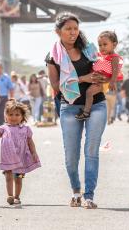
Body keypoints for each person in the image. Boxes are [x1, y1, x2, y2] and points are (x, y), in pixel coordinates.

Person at [46, 12, 108, 209]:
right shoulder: (52, 57)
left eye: (75, 28)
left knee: (91, 151)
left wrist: (100, 77)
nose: (73, 32)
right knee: (71, 155)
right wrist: (82, 79)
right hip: (70, 107)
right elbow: (55, 85)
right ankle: (76, 191)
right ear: (58, 32)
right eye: (68, 29)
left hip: (97, 104)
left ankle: (89, 195)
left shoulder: (89, 49)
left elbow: (103, 71)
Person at [0, 99, 41, 206]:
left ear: (22, 116)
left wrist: (34, 152)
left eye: (17, 115)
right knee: (8, 177)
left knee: (19, 178)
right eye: (10, 114)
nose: (14, 117)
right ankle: (10, 196)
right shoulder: (4, 128)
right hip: (8, 158)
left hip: (22, 160)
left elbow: (30, 141)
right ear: (6, 115)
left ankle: (17, 197)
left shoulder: (26, 129)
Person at [75, 31, 123, 120]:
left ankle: (86, 112)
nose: (102, 47)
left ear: (114, 45)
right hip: (98, 78)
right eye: (100, 45)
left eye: (105, 44)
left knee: (89, 92)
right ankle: (86, 108)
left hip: (102, 81)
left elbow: (115, 70)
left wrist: (112, 82)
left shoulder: (114, 57)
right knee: (87, 90)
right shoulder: (101, 56)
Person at [0, 62, 14, 129]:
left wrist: (11, 98)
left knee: (1, 112)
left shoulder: (6, 77)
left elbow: (11, 88)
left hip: (4, 97)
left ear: (2, 68)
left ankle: (0, 126)